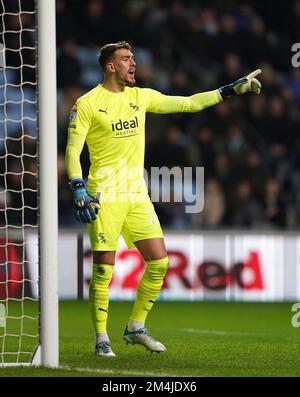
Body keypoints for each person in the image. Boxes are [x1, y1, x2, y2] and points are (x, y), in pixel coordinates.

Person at [65, 41, 262, 357]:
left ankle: (135, 327)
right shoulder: (87, 104)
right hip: (105, 194)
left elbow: (188, 104)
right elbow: (74, 151)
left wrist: (229, 90)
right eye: (126, 59)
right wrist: (77, 185)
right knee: (104, 269)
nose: (133, 64)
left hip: (137, 195)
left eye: (133, 59)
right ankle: (101, 338)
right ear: (110, 66)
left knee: (159, 262)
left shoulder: (141, 97)